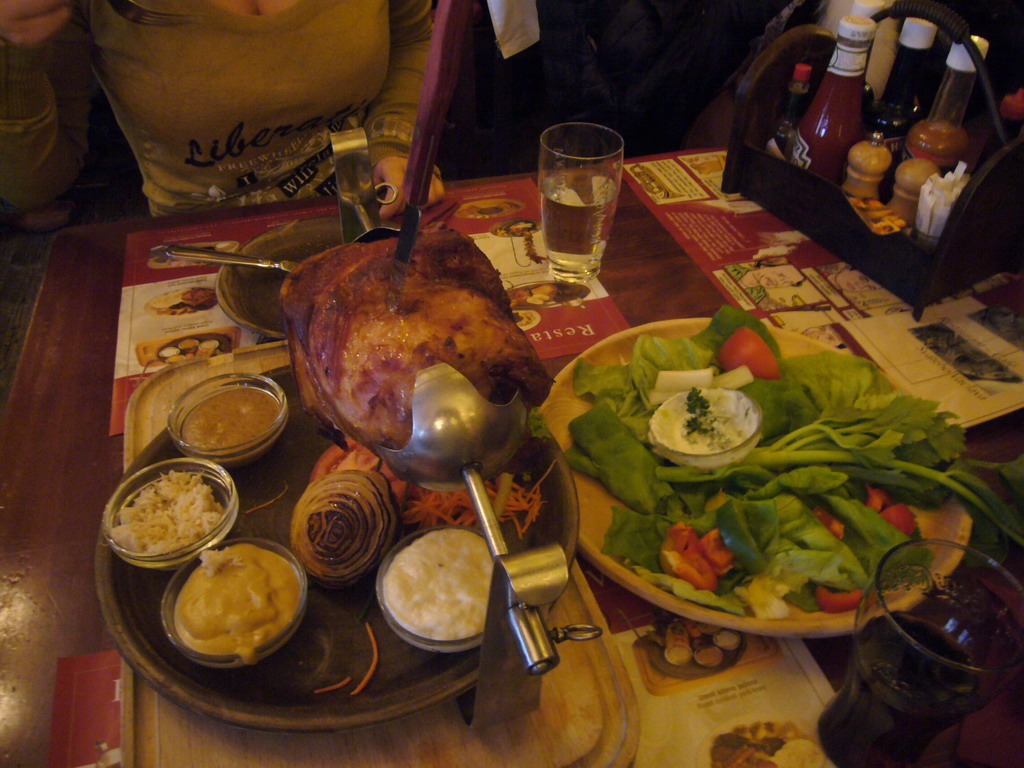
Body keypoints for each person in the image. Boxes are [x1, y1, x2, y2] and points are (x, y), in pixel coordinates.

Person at [0, 0, 445, 220]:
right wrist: (11, 50)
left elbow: (410, 37)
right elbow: (35, 186)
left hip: (366, 209)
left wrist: (393, 139)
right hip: (203, 244)